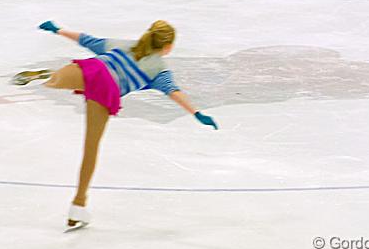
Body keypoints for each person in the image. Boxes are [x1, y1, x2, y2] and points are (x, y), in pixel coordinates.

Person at [13, 20, 218, 228]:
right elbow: (174, 92)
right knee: (90, 148)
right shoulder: (159, 70)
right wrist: (197, 113)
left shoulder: (122, 44)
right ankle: (78, 204)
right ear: (168, 46)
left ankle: (48, 77)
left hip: (92, 69)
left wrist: (58, 30)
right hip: (106, 90)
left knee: (61, 76)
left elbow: (87, 40)